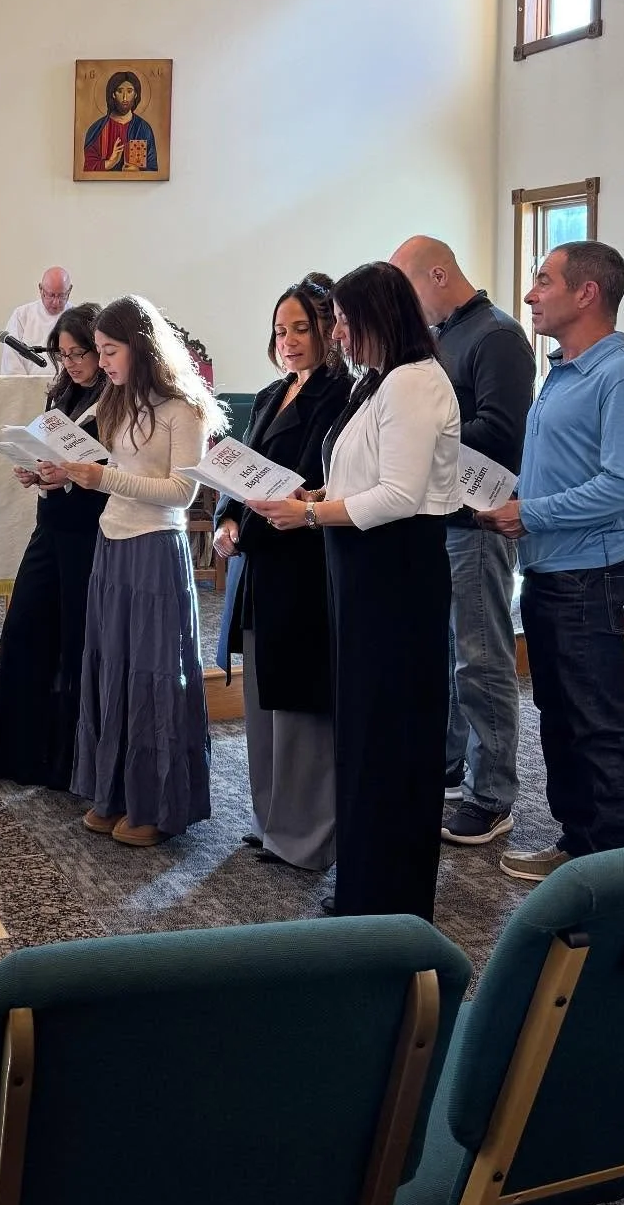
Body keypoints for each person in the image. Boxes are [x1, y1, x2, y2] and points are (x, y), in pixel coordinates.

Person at [251, 262, 461, 921]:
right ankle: (366, 888)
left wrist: (311, 515)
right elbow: (362, 475)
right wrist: (318, 497)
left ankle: (390, 901)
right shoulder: (380, 384)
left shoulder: (413, 383)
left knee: (392, 738)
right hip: (362, 567)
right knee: (365, 737)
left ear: (381, 317)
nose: (337, 333)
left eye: (345, 320)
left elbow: (400, 496)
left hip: (396, 571)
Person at [479, 242, 624, 882]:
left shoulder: (623, 376)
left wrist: (533, 512)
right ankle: (581, 847)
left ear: (587, 294)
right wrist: (508, 499)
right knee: (560, 716)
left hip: (588, 574)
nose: (530, 295)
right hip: (551, 570)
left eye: (544, 281)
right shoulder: (562, 372)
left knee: (597, 723)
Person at [53, 295, 225, 845]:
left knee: (153, 675)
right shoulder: (119, 401)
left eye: (109, 350)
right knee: (113, 668)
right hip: (113, 541)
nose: (101, 362)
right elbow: (113, 467)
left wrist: (101, 479)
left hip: (155, 547)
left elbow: (181, 492)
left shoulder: (185, 409)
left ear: (141, 347)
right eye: (97, 351)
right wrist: (61, 475)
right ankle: (115, 793)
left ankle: (154, 805)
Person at [391, 236, 535, 847]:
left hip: (476, 525)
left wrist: (419, 438)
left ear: (439, 274)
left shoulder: (497, 336)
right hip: (442, 521)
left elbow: (501, 435)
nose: (405, 304)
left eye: (409, 288)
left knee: (481, 660)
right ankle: (451, 768)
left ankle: (492, 794)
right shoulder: (443, 334)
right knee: (448, 658)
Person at [214, 276, 351, 871]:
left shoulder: (342, 395)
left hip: (305, 559)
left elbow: (328, 477)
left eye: (301, 329)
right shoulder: (273, 393)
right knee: (265, 702)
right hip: (260, 562)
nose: (289, 341)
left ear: (328, 330)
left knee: (303, 706)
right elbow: (242, 469)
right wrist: (226, 520)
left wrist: (298, 505)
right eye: (280, 331)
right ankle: (270, 822)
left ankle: (308, 836)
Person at [0, 304, 108, 788]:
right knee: (24, 629)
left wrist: (69, 476)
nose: (72, 363)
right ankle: (17, 754)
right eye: (63, 354)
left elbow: (113, 471)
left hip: (88, 532)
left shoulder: (114, 400)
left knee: (75, 640)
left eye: (80, 353)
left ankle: (66, 761)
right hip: (51, 524)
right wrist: (38, 471)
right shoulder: (63, 393)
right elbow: (58, 455)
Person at [82, 70, 159, 173]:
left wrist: (138, 171)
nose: (125, 98)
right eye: (119, 91)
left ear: (136, 94)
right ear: (113, 94)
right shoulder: (97, 130)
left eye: (129, 91)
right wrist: (110, 163)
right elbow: (88, 168)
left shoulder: (143, 128)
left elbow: (153, 168)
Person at [0, 268, 73, 374]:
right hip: (28, 386)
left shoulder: (77, 317)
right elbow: (11, 358)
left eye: (61, 296)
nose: (56, 302)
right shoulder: (22, 315)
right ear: (40, 289)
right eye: (51, 295)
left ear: (69, 290)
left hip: (68, 386)